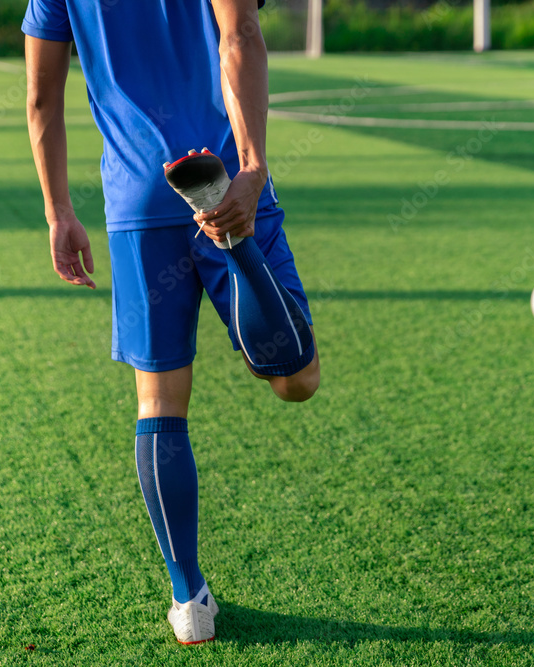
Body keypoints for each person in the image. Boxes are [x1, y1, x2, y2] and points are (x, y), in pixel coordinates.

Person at [22, 0, 320, 644]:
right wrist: (250, 168)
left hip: (137, 197)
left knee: (159, 403)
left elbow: (42, 101)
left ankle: (189, 598)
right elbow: (238, 33)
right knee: (297, 381)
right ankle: (234, 243)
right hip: (225, 174)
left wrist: (58, 212)